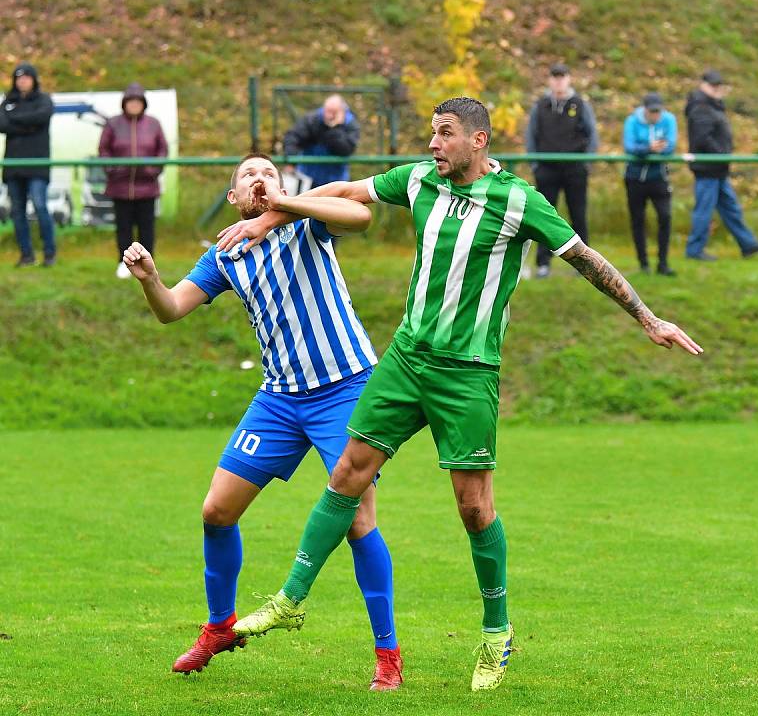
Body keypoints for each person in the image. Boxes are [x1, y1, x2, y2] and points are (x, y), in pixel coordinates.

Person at [216, 97, 702, 693]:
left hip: (467, 372)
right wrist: (270, 217)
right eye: (431, 132)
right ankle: (292, 599)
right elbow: (348, 191)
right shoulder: (420, 179)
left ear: (478, 141)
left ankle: (497, 633)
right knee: (348, 473)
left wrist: (648, 318)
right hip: (404, 360)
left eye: (443, 134)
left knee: (473, 508)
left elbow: (584, 259)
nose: (432, 144)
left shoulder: (520, 200)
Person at [122, 153, 402, 691]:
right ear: (233, 197)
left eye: (269, 173)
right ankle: (220, 626)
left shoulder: (307, 221)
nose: (260, 179)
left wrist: (283, 205)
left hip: (345, 387)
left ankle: (387, 655)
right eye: (249, 175)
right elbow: (172, 308)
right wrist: (151, 280)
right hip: (279, 397)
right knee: (216, 510)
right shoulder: (226, 254)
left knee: (358, 521)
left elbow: (361, 216)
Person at [684, 70, 758, 261]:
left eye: (718, 85)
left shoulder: (712, 105)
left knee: (731, 208)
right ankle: (694, 250)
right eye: (712, 85)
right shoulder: (701, 107)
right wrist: (721, 154)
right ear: (703, 84)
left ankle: (747, 244)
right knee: (704, 211)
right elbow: (702, 139)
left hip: (718, 168)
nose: (716, 88)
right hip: (708, 169)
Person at [525, 63, 599, 278]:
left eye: (562, 77)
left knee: (578, 215)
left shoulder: (580, 104)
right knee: (544, 217)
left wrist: (586, 163)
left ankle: (586, 264)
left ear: (569, 79)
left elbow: (592, 134)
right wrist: (536, 165)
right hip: (547, 169)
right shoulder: (541, 105)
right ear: (549, 80)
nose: (558, 81)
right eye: (554, 77)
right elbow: (531, 135)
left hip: (575, 169)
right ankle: (543, 263)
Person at [99, 83, 168, 279]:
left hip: (147, 187)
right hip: (120, 187)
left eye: (138, 102)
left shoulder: (153, 124)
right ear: (124, 104)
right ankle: (124, 263)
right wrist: (112, 170)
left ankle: (148, 264)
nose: (134, 105)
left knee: (147, 228)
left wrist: (153, 170)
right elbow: (104, 150)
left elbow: (162, 150)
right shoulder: (113, 123)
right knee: (124, 227)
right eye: (131, 102)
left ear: (144, 104)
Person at [0, 62, 55, 267]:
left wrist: (14, 122)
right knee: (17, 211)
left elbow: (41, 117)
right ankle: (26, 255)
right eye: (18, 78)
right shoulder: (7, 101)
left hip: (37, 166)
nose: (22, 81)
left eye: (26, 77)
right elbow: (1, 124)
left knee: (40, 206)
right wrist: (28, 125)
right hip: (13, 167)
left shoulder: (44, 100)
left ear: (34, 79)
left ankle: (49, 253)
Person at [623, 93, 678, 275]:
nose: (655, 115)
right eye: (652, 111)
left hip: (659, 177)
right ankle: (643, 263)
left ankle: (663, 262)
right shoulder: (632, 121)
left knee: (665, 216)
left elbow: (670, 145)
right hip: (635, 178)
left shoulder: (669, 119)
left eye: (658, 111)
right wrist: (648, 148)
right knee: (638, 220)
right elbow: (630, 146)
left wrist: (651, 149)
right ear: (644, 109)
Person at [283, 94, 360, 190]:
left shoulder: (350, 125)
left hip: (336, 180)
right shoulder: (312, 120)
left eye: (334, 112)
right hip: (308, 177)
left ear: (341, 112)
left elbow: (345, 149)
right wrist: (291, 160)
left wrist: (335, 127)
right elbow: (293, 137)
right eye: (327, 110)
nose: (329, 115)